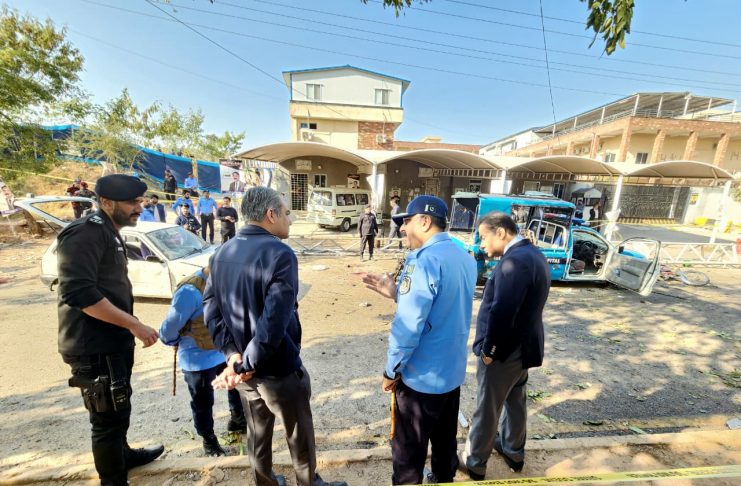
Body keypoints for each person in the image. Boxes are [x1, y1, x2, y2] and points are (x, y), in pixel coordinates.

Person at [204, 187, 347, 486]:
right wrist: (246, 364)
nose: (290, 220)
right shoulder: (280, 254)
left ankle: (265, 482)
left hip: (243, 370)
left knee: (257, 433)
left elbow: (211, 311)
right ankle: (308, 483)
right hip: (278, 370)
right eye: (286, 213)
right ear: (271, 214)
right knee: (298, 433)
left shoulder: (221, 253)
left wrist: (233, 357)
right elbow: (273, 321)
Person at [358, 195, 477, 485]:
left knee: (408, 455)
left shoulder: (423, 261)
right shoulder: (464, 257)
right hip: (450, 375)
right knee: (445, 444)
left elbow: (409, 326)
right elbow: (442, 307)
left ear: (424, 221)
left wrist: (391, 370)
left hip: (420, 380)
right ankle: (443, 478)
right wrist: (397, 293)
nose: (402, 228)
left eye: (406, 221)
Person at [56, 174, 163, 485]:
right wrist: (135, 325)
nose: (139, 207)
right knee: (106, 421)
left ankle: (123, 456)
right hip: (93, 345)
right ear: (105, 202)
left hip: (112, 341)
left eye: (140, 201)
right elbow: (80, 295)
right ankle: (113, 480)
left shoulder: (108, 230)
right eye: (131, 202)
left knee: (119, 409)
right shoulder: (85, 233)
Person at [458, 212, 551, 480]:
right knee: (515, 400)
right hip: (524, 347)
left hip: (504, 351)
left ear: (500, 232)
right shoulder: (534, 255)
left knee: (488, 406)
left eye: (483, 237)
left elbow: (503, 311)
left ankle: (474, 461)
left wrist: (490, 351)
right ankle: (513, 450)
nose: (481, 244)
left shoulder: (514, 262)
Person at [159, 266, 247, 457]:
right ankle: (209, 440)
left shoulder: (228, 282)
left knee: (237, 387)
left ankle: (238, 421)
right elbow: (169, 329)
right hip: (197, 359)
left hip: (225, 352)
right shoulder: (189, 292)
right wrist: (171, 340)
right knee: (203, 402)